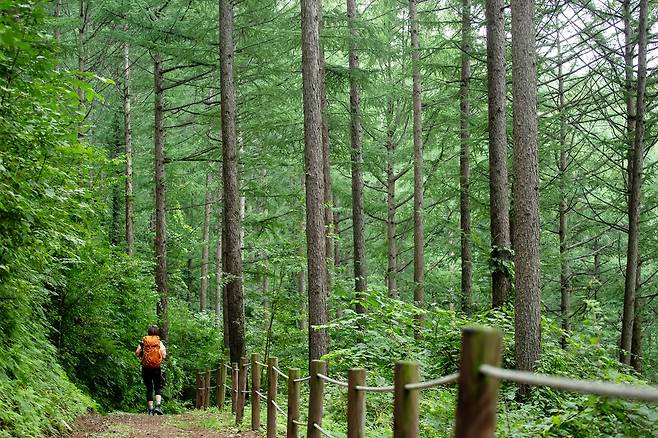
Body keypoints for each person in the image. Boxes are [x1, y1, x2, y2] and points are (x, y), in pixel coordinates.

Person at [135, 325, 167, 415]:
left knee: (149, 387)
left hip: (146, 367)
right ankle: (158, 406)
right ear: (157, 332)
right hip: (156, 367)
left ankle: (150, 409)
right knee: (157, 386)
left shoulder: (143, 342)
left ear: (148, 332)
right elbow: (164, 355)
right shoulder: (159, 342)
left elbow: (137, 353)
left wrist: (143, 355)